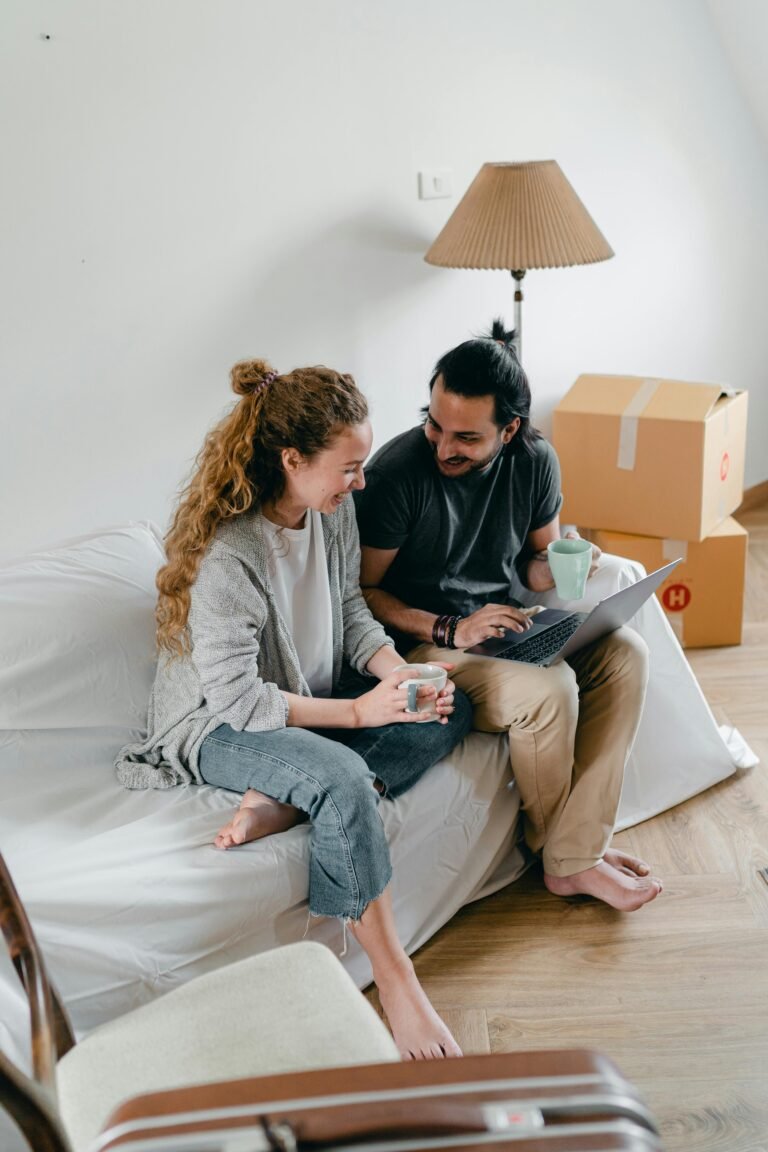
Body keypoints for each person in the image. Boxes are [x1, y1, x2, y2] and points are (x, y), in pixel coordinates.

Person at [116, 358, 474, 1060]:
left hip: (306, 696)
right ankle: (397, 983)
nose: (361, 482)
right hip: (217, 726)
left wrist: (403, 677)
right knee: (340, 779)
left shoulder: (329, 516)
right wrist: (362, 717)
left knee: (449, 705)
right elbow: (242, 702)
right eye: (349, 467)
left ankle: (286, 798)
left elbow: (349, 612)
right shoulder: (229, 554)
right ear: (292, 459)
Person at [355, 320, 663, 913]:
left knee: (627, 655)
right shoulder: (397, 475)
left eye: (466, 437)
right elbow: (363, 592)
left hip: (503, 626)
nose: (444, 447)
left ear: (510, 428)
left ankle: (580, 849)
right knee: (550, 692)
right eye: (434, 424)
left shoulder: (535, 461)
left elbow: (535, 563)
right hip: (422, 644)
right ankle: (570, 859)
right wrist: (452, 629)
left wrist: (571, 562)